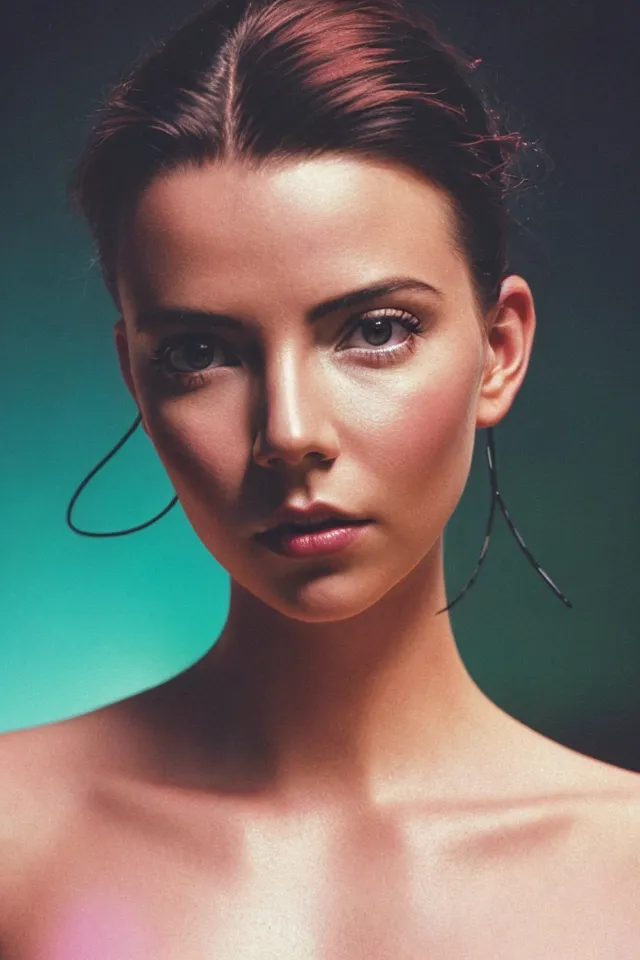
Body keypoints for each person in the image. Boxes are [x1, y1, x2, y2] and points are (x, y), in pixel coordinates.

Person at [1, 0, 639, 955]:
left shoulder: (623, 871)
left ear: (499, 352)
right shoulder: (16, 838)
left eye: (376, 330)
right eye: (202, 352)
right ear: (136, 375)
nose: (289, 434)